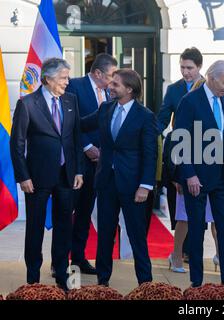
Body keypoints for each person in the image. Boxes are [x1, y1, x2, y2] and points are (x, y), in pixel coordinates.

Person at [10, 58, 84, 291]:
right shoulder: (28, 104)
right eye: (63, 77)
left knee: (64, 227)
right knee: (35, 228)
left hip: (66, 175)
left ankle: (62, 276)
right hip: (37, 178)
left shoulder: (71, 101)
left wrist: (79, 170)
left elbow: (75, 138)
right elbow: (17, 144)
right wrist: (23, 176)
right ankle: (33, 279)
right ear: (48, 79)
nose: (67, 81)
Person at [81, 69, 158, 286]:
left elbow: (150, 154)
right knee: (105, 235)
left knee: (136, 237)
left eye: (115, 84)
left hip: (134, 186)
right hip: (106, 182)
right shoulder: (106, 108)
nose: (110, 86)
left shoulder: (145, 116)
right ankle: (102, 284)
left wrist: (145, 186)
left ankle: (146, 285)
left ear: (129, 89)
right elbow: (80, 125)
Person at [172, 60, 224, 291]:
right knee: (197, 229)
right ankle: (197, 281)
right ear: (211, 77)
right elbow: (180, 139)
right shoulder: (189, 101)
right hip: (196, 178)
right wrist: (188, 174)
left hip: (222, 176)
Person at [65, 53, 118, 275]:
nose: (114, 81)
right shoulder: (74, 86)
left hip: (100, 163)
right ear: (97, 73)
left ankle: (78, 259)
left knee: (85, 212)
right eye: (111, 76)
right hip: (77, 160)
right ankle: (60, 260)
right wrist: (87, 147)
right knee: (67, 211)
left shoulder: (109, 92)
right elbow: (69, 123)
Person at [158, 47, 204, 263]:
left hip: (204, 151)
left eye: (190, 68)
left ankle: (193, 249)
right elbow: (163, 118)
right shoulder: (174, 89)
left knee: (201, 203)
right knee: (178, 201)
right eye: (182, 67)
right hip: (177, 150)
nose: (185, 72)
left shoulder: (208, 86)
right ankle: (182, 249)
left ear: (199, 67)